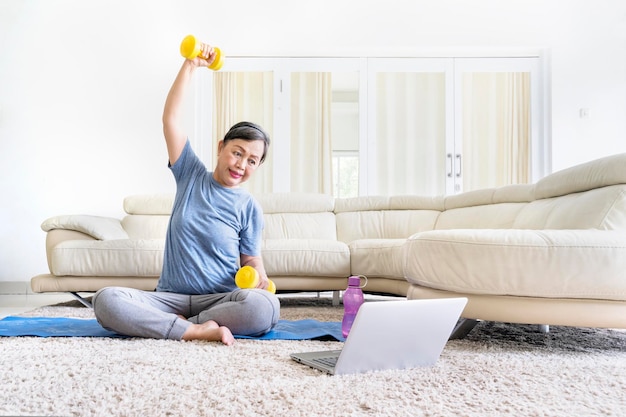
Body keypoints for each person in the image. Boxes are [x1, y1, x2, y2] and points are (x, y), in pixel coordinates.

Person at [92, 43, 280, 346]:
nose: (241, 164)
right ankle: (195, 331)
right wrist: (190, 66)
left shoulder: (249, 206)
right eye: (237, 153)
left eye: (252, 161)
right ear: (221, 148)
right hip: (168, 298)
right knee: (106, 300)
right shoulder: (190, 174)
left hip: (219, 299)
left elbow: (252, 260)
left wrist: (259, 278)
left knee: (266, 307)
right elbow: (171, 120)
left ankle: (177, 327)